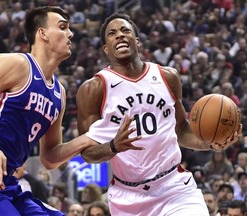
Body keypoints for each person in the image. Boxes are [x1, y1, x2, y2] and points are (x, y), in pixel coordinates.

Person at [0, 6, 137, 216]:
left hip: (8, 183)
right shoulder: (16, 63)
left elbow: (50, 157)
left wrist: (93, 137)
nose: (70, 33)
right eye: (62, 27)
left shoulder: (58, 93)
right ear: (42, 33)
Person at [76, 13, 242, 215]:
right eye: (112, 33)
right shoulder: (94, 89)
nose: (119, 35)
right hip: (128, 197)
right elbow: (87, 153)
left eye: (125, 30)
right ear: (105, 48)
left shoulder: (167, 76)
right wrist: (113, 147)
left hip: (173, 187)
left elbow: (182, 130)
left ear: (136, 40)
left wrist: (211, 143)